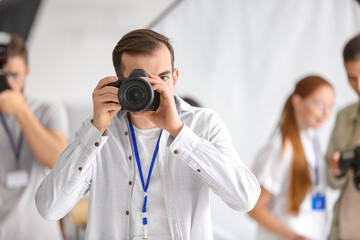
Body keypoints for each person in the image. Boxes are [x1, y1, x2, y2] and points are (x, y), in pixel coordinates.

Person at [35, 29, 260, 239]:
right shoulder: (99, 132)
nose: (154, 90)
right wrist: (95, 130)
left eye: (162, 78)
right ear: (119, 83)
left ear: (175, 78)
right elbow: (49, 208)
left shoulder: (203, 124)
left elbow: (245, 199)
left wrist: (179, 132)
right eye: (141, 82)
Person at [248, 76, 335, 240]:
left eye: (330, 107)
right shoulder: (280, 149)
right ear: (297, 102)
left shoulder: (313, 142)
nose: (326, 114)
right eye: (320, 105)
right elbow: (254, 208)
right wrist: (294, 236)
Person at [0, 33, 68, 239]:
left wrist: (21, 111)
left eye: (13, 75)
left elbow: (57, 160)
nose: (7, 82)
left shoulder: (48, 109)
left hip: (40, 232)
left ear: (27, 72)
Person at [326, 33, 360, 240]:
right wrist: (336, 170)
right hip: (347, 230)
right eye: (352, 78)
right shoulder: (344, 117)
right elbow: (332, 181)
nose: (359, 86)